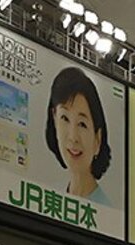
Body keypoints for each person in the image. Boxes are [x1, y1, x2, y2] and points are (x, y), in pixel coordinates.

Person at [46, 67, 113, 202]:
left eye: (82, 124)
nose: (73, 137)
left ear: (97, 139)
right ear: (54, 118)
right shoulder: (55, 194)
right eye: (65, 118)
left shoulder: (105, 212)